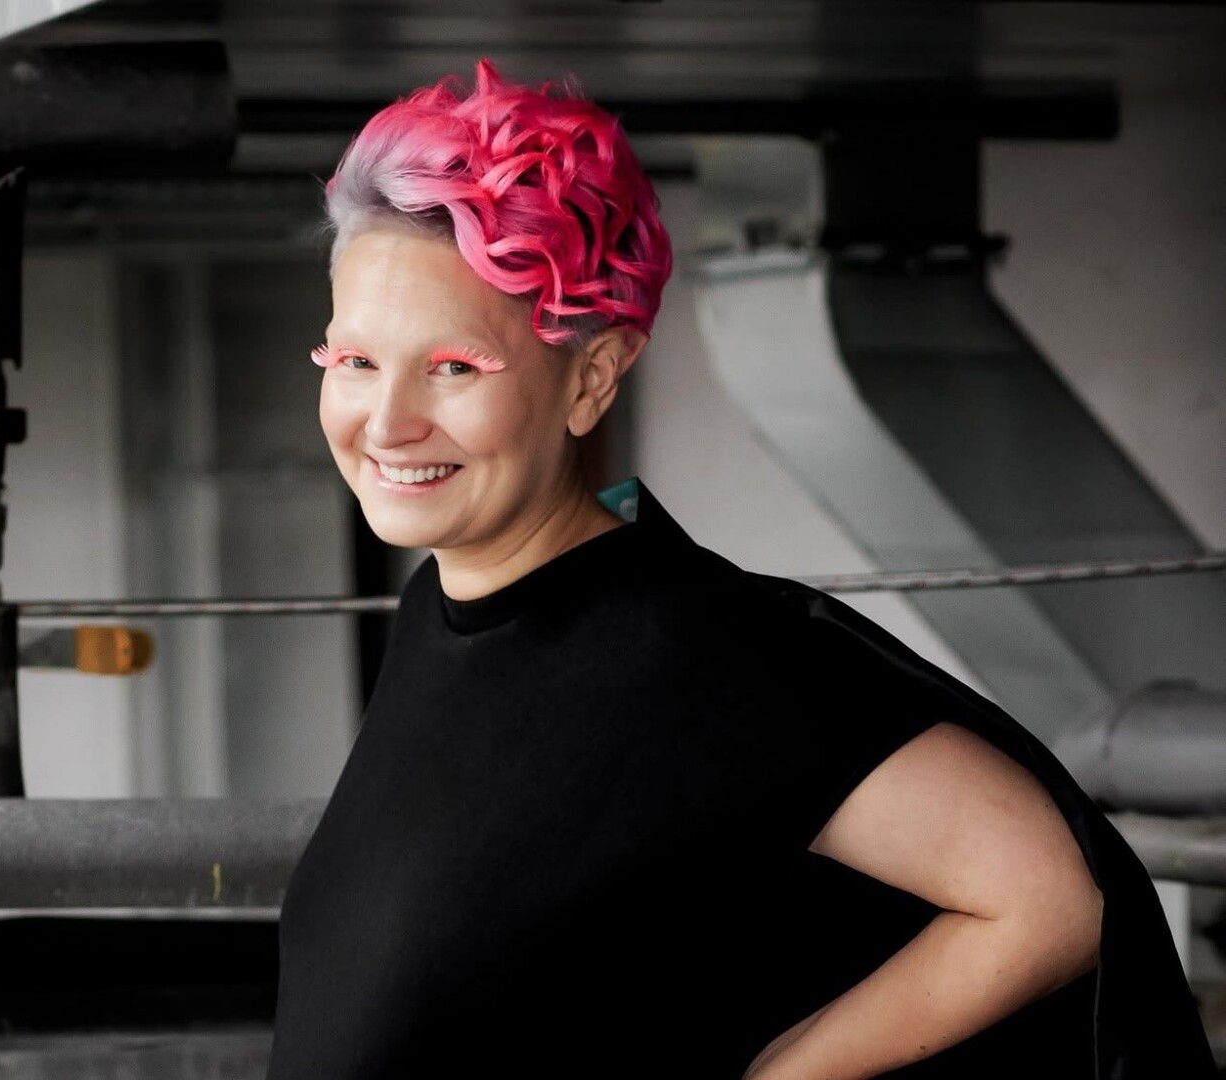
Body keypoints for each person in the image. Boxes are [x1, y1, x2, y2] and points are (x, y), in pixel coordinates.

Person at [265, 59, 1215, 1080]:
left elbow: (1053, 899)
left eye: (454, 367)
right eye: (355, 361)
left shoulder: (696, 655)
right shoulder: (442, 607)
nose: (388, 422)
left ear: (591, 380)